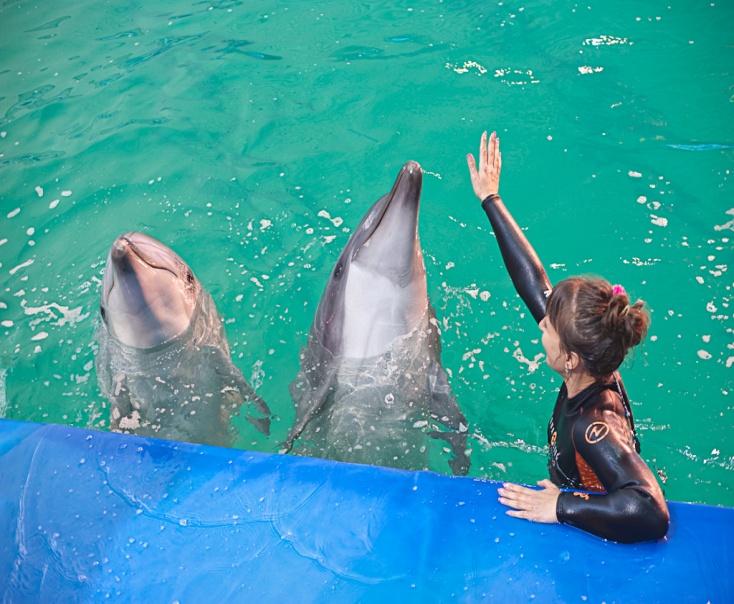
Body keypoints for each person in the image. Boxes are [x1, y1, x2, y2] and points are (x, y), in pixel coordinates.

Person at [466, 131, 669, 543]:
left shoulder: (594, 426)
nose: (541, 324)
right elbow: (536, 286)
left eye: (548, 326)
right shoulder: (593, 354)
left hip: (595, 524)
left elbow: (650, 511)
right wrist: (491, 199)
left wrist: (561, 507)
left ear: (571, 357)